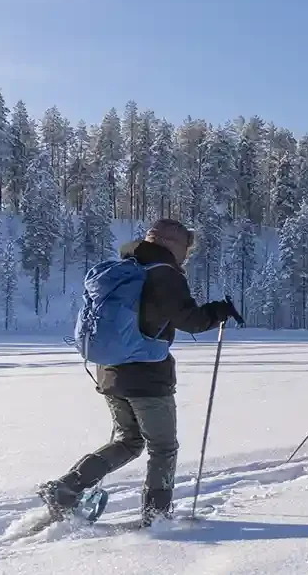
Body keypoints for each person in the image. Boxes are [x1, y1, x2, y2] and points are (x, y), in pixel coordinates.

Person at [37, 219, 239, 527]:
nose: (186, 256)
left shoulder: (124, 268)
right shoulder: (164, 273)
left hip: (109, 371)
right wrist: (218, 312)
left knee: (129, 440)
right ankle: (157, 517)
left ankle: (66, 488)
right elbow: (191, 320)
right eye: (186, 248)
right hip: (148, 377)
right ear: (172, 244)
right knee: (163, 447)